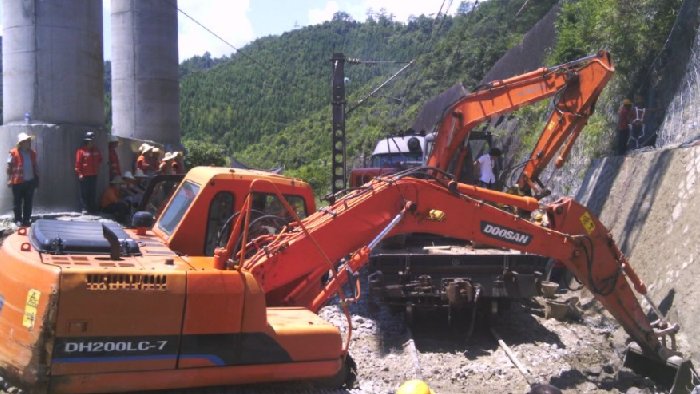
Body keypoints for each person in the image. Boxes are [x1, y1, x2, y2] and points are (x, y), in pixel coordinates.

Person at [6, 132, 39, 226]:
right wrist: (9, 179)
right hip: (17, 182)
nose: (29, 143)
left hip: (30, 182)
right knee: (17, 203)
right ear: (22, 143)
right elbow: (9, 167)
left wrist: (37, 179)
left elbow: (35, 166)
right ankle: (18, 220)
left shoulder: (32, 153)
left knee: (28, 202)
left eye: (29, 141)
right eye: (27, 141)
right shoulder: (13, 152)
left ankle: (26, 220)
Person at [75, 131, 102, 213]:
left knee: (92, 192)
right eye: (91, 141)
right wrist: (79, 173)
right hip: (84, 175)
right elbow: (78, 163)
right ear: (87, 141)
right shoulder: (81, 151)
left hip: (94, 175)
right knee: (84, 193)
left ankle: (92, 208)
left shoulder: (96, 150)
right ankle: (84, 208)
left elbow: (100, 159)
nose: (93, 142)